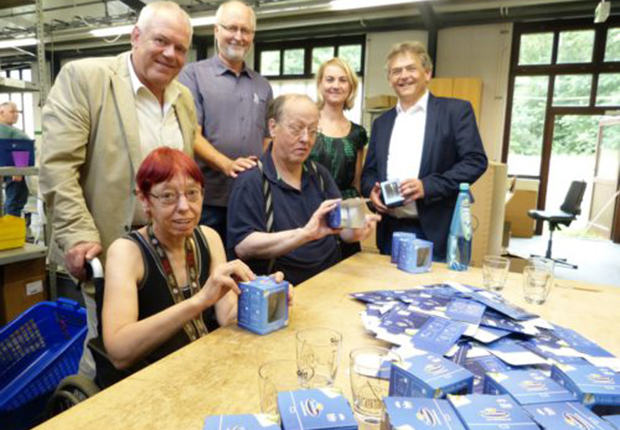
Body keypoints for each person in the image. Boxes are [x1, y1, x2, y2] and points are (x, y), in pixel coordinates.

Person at [39, 1, 196, 379]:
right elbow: (58, 165)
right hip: (110, 252)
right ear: (135, 37)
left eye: (180, 48)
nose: (170, 54)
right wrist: (77, 235)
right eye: (161, 41)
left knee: (163, 353)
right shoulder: (86, 79)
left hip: (167, 257)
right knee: (110, 359)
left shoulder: (184, 101)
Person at [101, 148, 260, 382]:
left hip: (206, 369)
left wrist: (266, 300)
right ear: (144, 200)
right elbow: (119, 351)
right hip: (151, 382)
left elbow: (228, 317)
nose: (184, 206)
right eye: (168, 196)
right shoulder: (126, 252)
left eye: (192, 193)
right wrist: (200, 300)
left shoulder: (209, 237)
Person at [227, 94, 379, 286]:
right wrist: (305, 234)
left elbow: (344, 232)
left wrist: (357, 229)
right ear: (273, 127)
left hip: (331, 278)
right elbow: (243, 246)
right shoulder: (252, 179)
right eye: (296, 129)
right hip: (283, 288)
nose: (306, 139)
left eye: (313, 130)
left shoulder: (320, 174)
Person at [361, 41, 488, 260]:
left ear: (427, 73)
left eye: (411, 68)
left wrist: (427, 186)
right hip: (390, 231)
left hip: (436, 231)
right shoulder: (382, 122)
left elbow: (475, 161)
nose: (404, 76)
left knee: (434, 293)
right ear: (390, 79)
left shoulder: (455, 112)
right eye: (396, 71)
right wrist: (372, 195)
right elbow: (369, 173)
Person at [178, 0, 273, 244]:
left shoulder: (262, 85)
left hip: (252, 197)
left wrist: (251, 169)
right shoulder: (192, 75)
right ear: (216, 30)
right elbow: (191, 134)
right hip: (209, 199)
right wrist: (228, 165)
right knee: (210, 265)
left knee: (248, 266)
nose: (238, 36)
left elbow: (267, 137)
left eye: (246, 30)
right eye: (231, 28)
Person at [309, 58, 368, 259]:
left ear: (351, 87)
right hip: (308, 210)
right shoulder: (307, 126)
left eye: (343, 80)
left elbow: (356, 185)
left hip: (346, 215)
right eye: (330, 79)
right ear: (320, 84)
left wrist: (358, 221)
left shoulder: (358, 133)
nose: (336, 85)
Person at [0, 101, 31, 218]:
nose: (16, 114)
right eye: (12, 112)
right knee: (15, 201)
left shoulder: (9, 129)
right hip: (15, 171)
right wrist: (17, 170)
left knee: (18, 200)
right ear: (1, 113)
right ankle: (11, 232)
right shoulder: (3, 129)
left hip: (18, 170)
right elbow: (12, 148)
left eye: (17, 111)